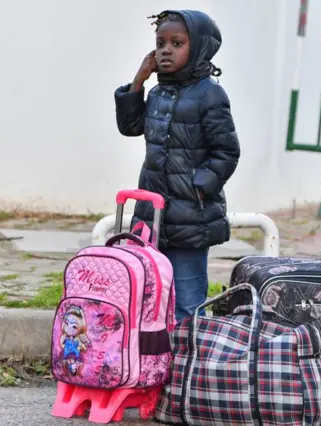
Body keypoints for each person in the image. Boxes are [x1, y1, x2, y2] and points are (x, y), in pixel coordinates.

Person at [114, 10, 240, 322]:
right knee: (150, 295)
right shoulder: (157, 92)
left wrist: (198, 187)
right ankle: (152, 365)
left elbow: (227, 151)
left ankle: (187, 368)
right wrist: (139, 79)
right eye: (160, 43)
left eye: (177, 43)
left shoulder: (210, 95)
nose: (166, 50)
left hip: (190, 218)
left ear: (198, 47)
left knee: (187, 301)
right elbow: (130, 127)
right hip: (151, 215)